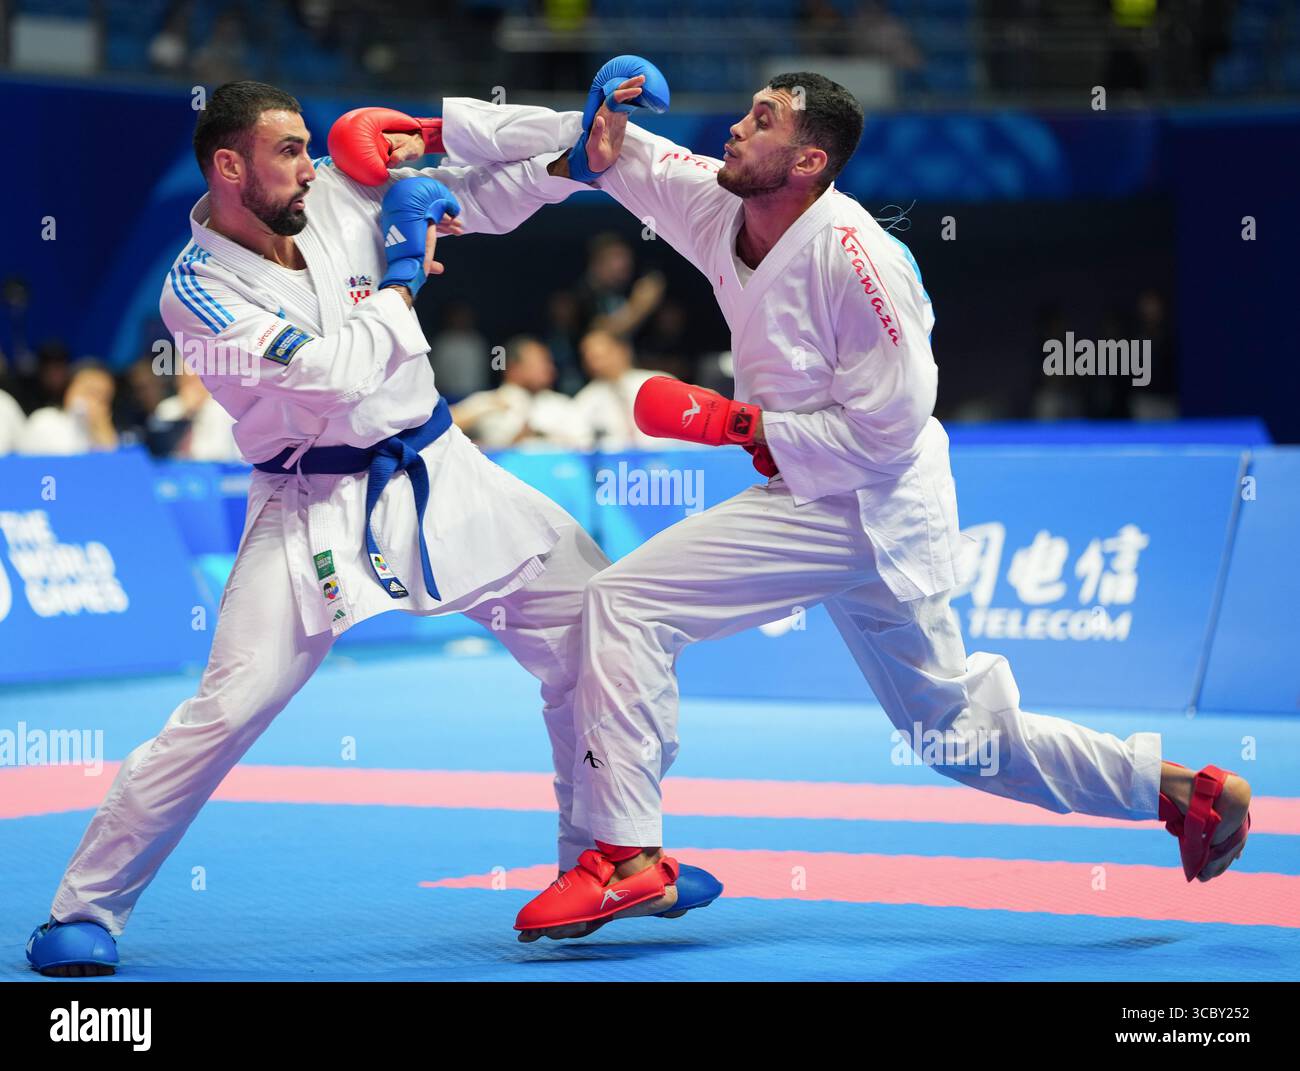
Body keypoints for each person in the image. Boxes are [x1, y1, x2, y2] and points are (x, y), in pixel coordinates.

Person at [432, 64, 1254, 939]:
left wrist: (739, 425)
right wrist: (435, 135)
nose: (737, 128)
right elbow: (614, 150)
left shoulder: (858, 261)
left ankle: (628, 857)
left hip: (866, 504)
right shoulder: (721, 205)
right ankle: (1182, 791)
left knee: (624, 603)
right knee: (959, 736)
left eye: (763, 119)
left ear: (809, 160)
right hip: (815, 493)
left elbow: (892, 430)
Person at [24, 75, 721, 976]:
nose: (310, 165)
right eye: (287, 151)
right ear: (229, 165)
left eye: (309, 147)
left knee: (596, 626)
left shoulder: (338, 190)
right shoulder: (192, 293)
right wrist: (397, 280)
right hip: (310, 504)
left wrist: (568, 149)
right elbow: (325, 378)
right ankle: (82, 909)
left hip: (442, 468)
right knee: (225, 712)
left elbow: (473, 196)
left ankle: (607, 857)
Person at [453, 335, 590, 450]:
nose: (549, 369)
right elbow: (441, 425)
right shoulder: (488, 401)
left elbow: (585, 447)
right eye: (539, 363)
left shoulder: (562, 404)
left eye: (548, 362)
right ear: (513, 368)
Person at [571, 328, 679, 450]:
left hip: (666, 461)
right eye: (589, 358)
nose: (596, 364)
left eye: (601, 355)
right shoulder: (586, 399)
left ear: (623, 350)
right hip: (614, 466)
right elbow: (580, 442)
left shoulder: (659, 383)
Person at [18, 363, 119, 455]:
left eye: (104, 397)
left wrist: (102, 427)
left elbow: (111, 467)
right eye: (90, 391)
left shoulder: (102, 432)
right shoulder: (44, 420)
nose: (95, 401)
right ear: (69, 390)